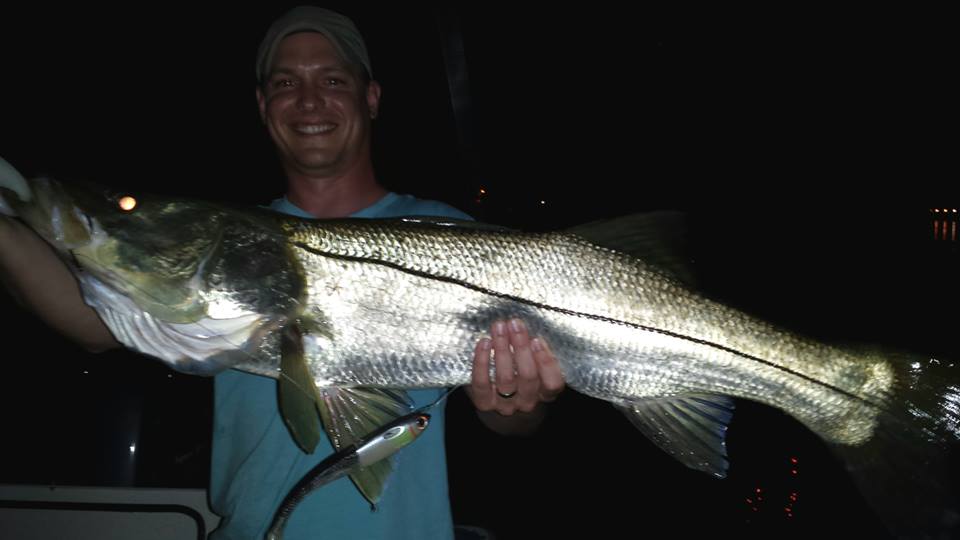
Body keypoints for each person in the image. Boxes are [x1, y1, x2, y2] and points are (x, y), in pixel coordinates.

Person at [0, 6, 565, 539]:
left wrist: (518, 401)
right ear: (263, 105)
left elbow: (518, 424)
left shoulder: (450, 235)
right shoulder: (225, 251)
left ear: (371, 98)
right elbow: (92, 324)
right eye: (286, 83)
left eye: (333, 81)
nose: (310, 101)